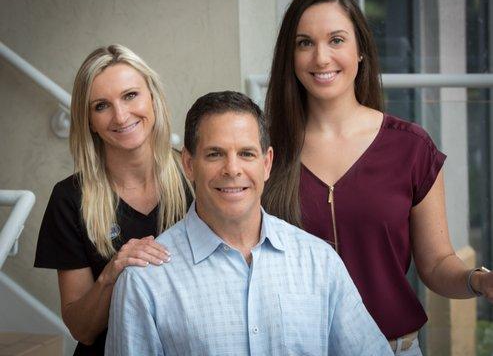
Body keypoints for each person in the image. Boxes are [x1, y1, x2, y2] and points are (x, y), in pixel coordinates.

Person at [262, 0, 493, 354]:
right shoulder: (264, 151)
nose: (321, 58)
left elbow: (436, 265)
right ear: (289, 56)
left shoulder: (411, 148)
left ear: (361, 51)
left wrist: (479, 281)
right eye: (305, 43)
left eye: (336, 40)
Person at [105, 90, 393, 356]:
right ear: (189, 165)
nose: (232, 169)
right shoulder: (146, 281)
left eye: (246, 154)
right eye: (215, 154)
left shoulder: (319, 262)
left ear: (266, 164)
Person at [34, 44, 192, 355]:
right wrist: (114, 271)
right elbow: (81, 329)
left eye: (130, 95)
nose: (121, 116)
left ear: (153, 98)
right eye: (101, 106)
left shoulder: (195, 178)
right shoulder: (70, 199)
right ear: (88, 120)